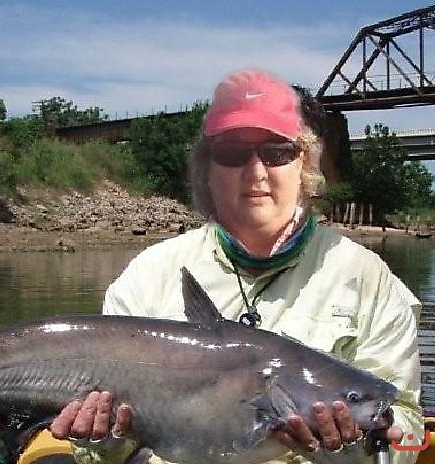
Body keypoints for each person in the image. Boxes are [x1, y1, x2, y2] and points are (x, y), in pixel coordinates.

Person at [49, 68, 423, 464]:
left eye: (278, 152)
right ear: (207, 172)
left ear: (306, 168)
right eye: (231, 153)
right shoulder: (148, 276)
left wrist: (349, 452)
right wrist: (100, 441)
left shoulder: (368, 278)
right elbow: (110, 456)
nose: (256, 171)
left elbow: (406, 427)